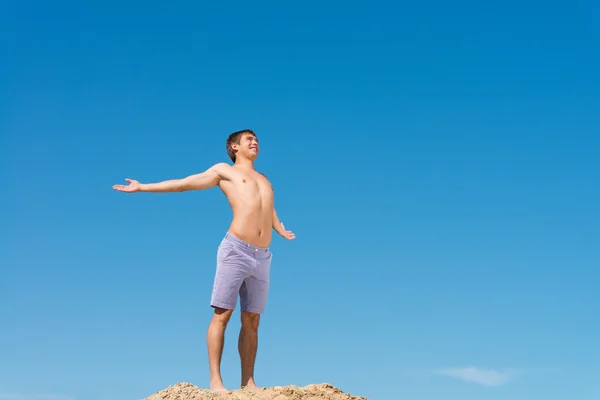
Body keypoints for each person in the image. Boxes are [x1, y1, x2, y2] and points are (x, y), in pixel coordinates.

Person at [112, 129, 295, 394]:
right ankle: (216, 381)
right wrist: (143, 187)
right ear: (234, 147)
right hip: (236, 250)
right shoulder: (225, 171)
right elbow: (184, 183)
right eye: (248, 140)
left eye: (256, 140)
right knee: (223, 314)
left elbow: (269, 207)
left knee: (253, 320)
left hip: (262, 256)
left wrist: (280, 228)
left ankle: (249, 383)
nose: (255, 142)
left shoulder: (264, 178)